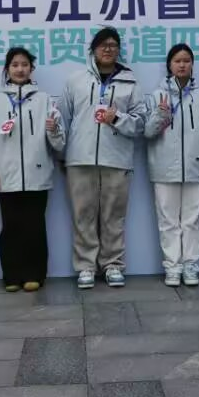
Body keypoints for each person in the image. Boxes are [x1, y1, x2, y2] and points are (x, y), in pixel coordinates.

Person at [60, 27, 146, 289]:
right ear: (93, 49)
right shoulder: (76, 80)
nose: (108, 49)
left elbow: (140, 123)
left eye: (113, 45)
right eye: (102, 45)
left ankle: (112, 265)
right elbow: (64, 120)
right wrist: (63, 156)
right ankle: (86, 266)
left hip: (117, 159)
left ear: (119, 50)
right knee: (83, 216)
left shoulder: (131, 82)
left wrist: (116, 118)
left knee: (113, 217)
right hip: (80, 159)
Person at [0, 48, 66, 293]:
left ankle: (34, 274)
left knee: (35, 227)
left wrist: (53, 130)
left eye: (25, 64)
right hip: (6, 177)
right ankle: (11, 275)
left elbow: (59, 144)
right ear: (7, 69)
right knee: (11, 227)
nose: (20, 69)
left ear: (31, 69)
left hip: (38, 176)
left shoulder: (45, 100)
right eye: (15, 65)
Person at [144, 44, 199, 288]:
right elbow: (147, 132)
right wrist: (160, 115)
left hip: (194, 169)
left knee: (191, 221)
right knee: (168, 221)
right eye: (177, 61)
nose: (182, 65)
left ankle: (190, 265)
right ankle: (172, 266)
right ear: (169, 65)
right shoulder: (157, 96)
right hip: (164, 169)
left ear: (192, 64)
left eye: (186, 60)